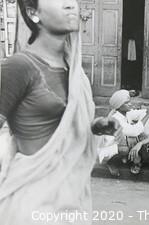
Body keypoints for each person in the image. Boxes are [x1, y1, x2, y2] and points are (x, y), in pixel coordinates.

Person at [0, 0, 121, 224]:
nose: (69, 4)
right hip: (31, 199)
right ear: (33, 13)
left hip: (71, 199)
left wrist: (94, 126)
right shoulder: (19, 66)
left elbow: (62, 124)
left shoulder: (72, 68)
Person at [103, 89, 149, 176]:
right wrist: (148, 114)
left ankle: (126, 158)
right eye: (127, 103)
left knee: (135, 140)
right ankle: (111, 162)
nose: (130, 104)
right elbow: (134, 131)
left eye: (129, 101)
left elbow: (138, 113)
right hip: (107, 150)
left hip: (118, 144)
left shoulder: (124, 113)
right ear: (119, 106)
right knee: (129, 145)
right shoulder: (115, 119)